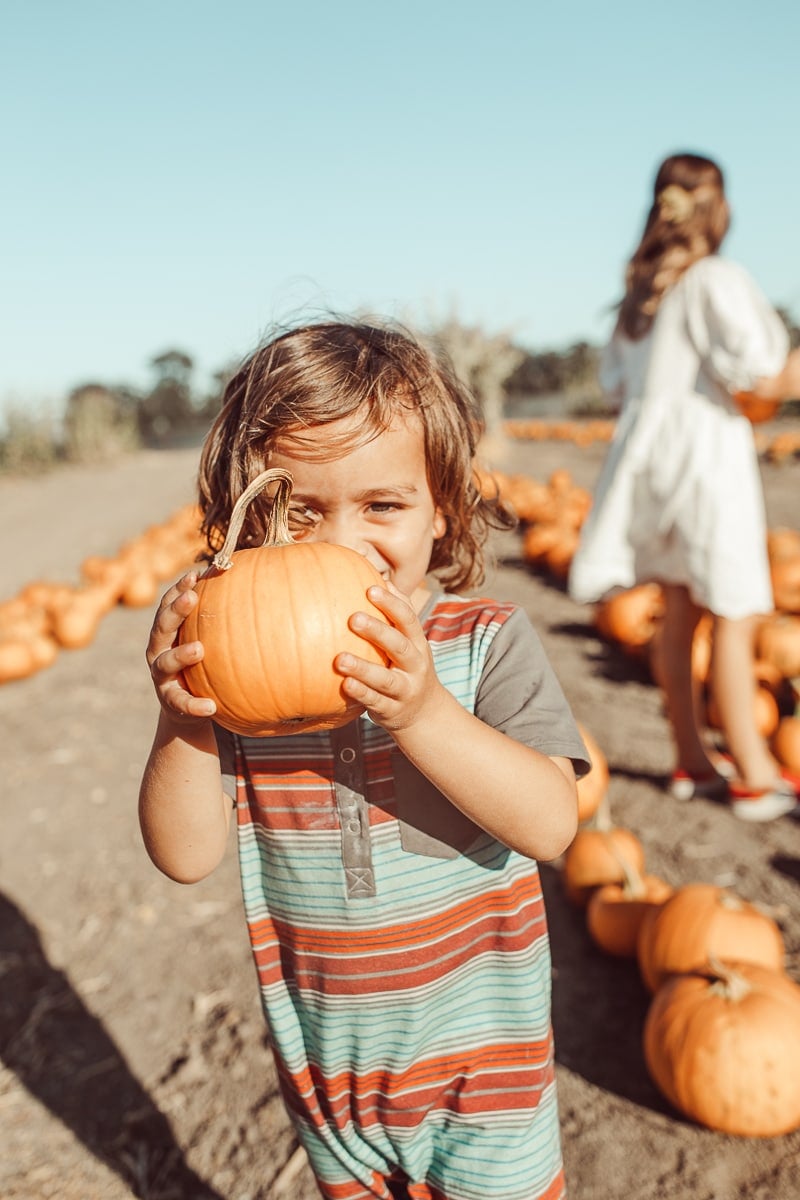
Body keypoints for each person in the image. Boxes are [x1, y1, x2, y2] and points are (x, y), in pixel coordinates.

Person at [139, 319, 590, 1200]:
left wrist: (422, 713)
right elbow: (184, 856)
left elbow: (551, 823)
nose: (342, 542)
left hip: (483, 1074)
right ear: (242, 520)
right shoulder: (238, 674)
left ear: (443, 510)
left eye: (382, 506)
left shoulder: (483, 645)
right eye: (300, 510)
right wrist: (182, 719)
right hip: (328, 1079)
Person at [568, 151, 800, 822]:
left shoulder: (643, 288)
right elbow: (757, 367)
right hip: (706, 458)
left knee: (679, 607)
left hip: (650, 460)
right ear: (717, 207)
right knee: (735, 610)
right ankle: (755, 775)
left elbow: (615, 386)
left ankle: (692, 760)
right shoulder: (713, 279)